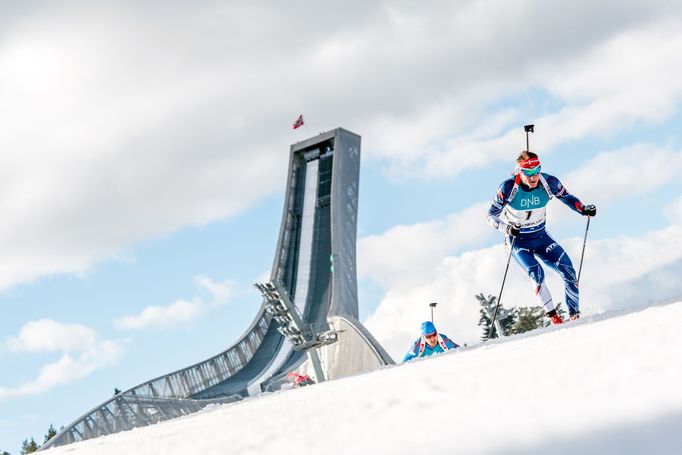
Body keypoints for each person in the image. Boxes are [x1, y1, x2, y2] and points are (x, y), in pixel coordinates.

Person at [487, 151, 596, 324]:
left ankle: (575, 316)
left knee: (568, 270)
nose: (533, 176)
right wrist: (508, 229)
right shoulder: (508, 188)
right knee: (537, 274)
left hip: (541, 236)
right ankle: (554, 317)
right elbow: (491, 216)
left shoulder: (549, 182)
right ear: (519, 172)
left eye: (536, 170)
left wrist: (584, 209)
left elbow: (567, 198)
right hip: (518, 241)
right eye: (528, 172)